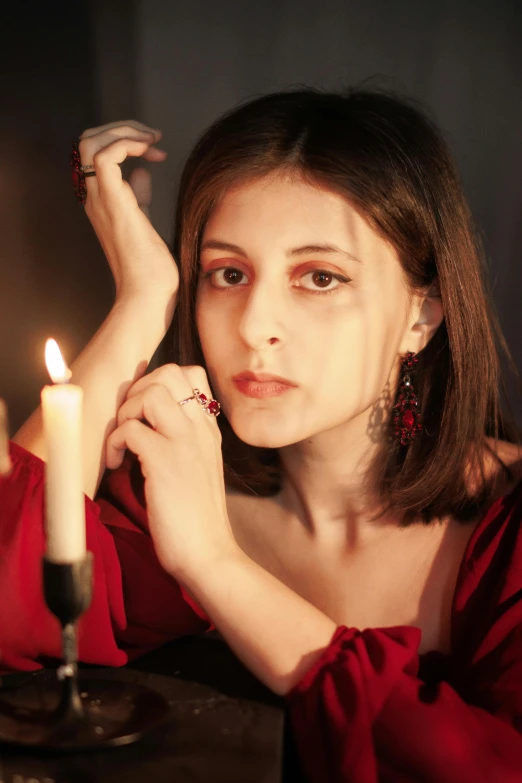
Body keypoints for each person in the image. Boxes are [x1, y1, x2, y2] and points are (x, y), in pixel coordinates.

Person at [1, 88, 522, 781]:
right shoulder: (178, 491)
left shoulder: (507, 526)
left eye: (319, 276)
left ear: (420, 318)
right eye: (228, 273)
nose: (252, 326)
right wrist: (142, 299)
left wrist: (218, 566)